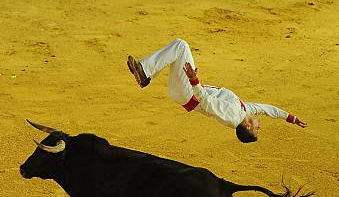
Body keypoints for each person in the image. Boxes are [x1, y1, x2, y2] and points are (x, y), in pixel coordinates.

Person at [127, 38, 307, 143]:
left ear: (247, 126)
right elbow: (267, 109)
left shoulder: (232, 115)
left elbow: (205, 101)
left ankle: (145, 72)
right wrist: (291, 118)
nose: (259, 127)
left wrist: (193, 80)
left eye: (256, 130)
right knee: (176, 56)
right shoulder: (243, 111)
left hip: (188, 92)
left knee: (181, 46)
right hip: (185, 92)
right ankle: (146, 74)